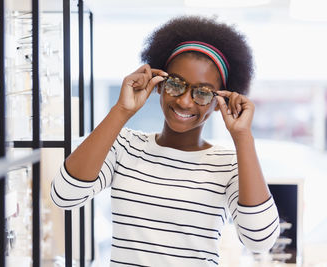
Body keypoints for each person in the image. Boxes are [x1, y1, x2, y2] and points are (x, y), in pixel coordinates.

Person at [51, 16, 280, 266]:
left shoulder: (228, 164)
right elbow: (65, 195)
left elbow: (260, 241)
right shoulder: (125, 146)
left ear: (218, 103)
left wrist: (243, 137)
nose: (184, 101)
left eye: (202, 93)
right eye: (176, 84)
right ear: (158, 85)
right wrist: (121, 110)